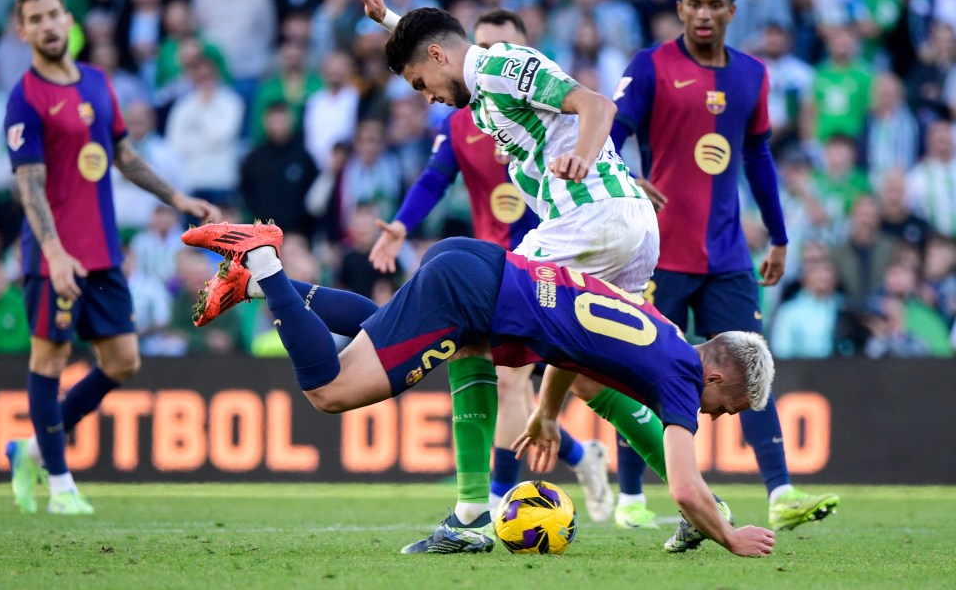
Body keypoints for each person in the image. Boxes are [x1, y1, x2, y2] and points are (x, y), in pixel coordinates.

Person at [182, 221, 777, 558]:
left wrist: (545, 413)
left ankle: (257, 288)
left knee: (382, 331)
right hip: (474, 297)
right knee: (331, 391)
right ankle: (262, 261)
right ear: (718, 375)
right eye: (730, 407)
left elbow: (578, 355)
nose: (721, 417)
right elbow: (684, 486)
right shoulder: (681, 380)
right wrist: (728, 535)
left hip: (484, 273)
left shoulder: (669, 335)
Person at [349, 0, 670, 544]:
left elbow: (597, 105)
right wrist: (389, 21)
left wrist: (585, 157)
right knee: (604, 375)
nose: (427, 100)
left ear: (440, 60)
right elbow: (436, 44)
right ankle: (704, 503)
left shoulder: (499, 64)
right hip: (621, 228)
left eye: (421, 84)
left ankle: (474, 512)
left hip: (589, 220)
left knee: (468, 329)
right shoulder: (480, 90)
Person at [610, 0, 839, 536]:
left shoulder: (753, 76)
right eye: (695, 3)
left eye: (716, 4)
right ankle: (631, 495)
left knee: (750, 367)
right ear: (680, 7)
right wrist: (623, 176)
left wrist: (781, 234)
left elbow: (759, 157)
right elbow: (610, 134)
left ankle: (782, 492)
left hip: (729, 257)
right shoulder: (652, 66)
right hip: (658, 254)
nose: (705, 13)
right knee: (642, 367)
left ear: (732, 11)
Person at [2, 0, 220, 515]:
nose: (49, 25)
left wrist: (175, 194)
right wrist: (53, 254)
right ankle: (60, 485)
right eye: (37, 19)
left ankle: (28, 450)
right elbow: (27, 184)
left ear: (69, 19)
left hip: (102, 251)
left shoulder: (98, 83)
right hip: (53, 257)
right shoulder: (25, 97)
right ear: (22, 30)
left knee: (122, 360)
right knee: (48, 360)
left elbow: (122, 154)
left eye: (55, 15)